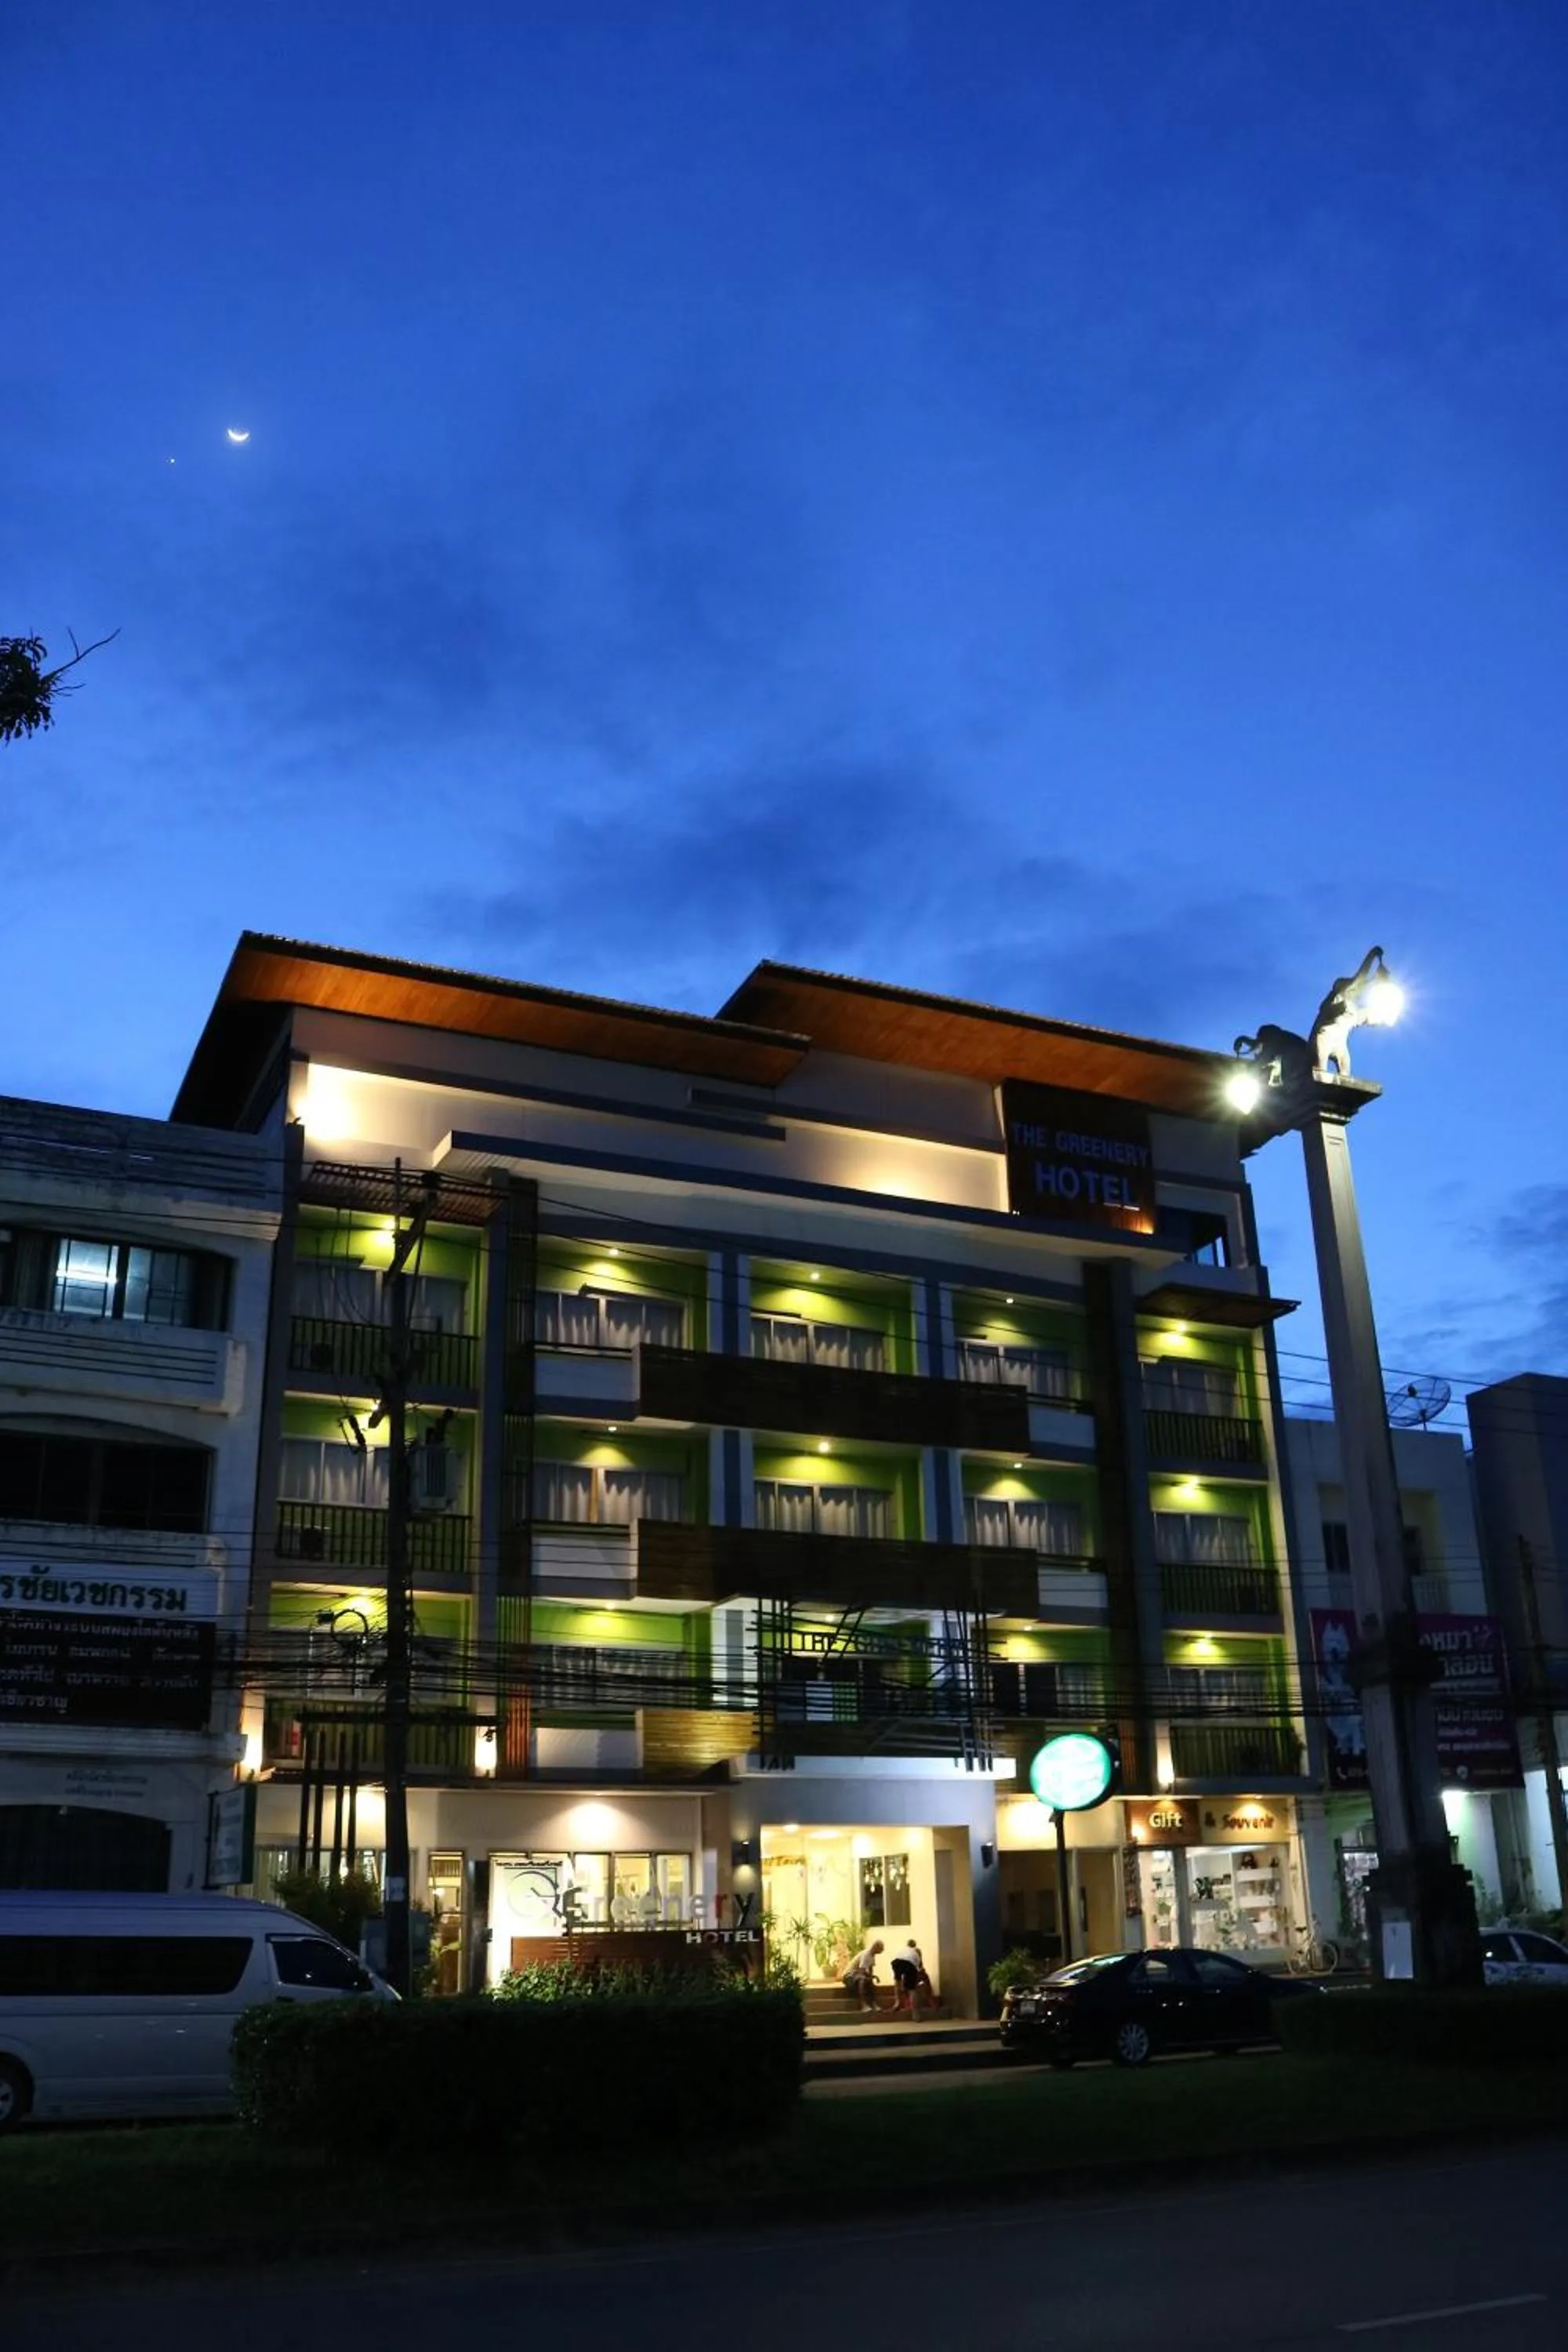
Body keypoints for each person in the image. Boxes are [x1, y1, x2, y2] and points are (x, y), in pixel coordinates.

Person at [891, 1937, 934, 2020]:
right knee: (912, 1990)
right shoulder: (917, 1951)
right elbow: (919, 1966)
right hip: (910, 1965)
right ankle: (916, 2014)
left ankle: (897, 2002)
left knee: (897, 1981)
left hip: (897, 1961)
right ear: (915, 1945)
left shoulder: (903, 1949)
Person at [841, 1936, 884, 2013]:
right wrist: (869, 1977)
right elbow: (861, 1972)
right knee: (862, 1980)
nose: (882, 1950)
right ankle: (863, 2005)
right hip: (849, 1977)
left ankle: (873, 2004)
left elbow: (870, 1970)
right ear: (876, 1947)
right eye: (881, 1949)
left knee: (870, 1982)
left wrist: (873, 1977)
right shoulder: (866, 1955)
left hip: (857, 1975)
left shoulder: (872, 1955)